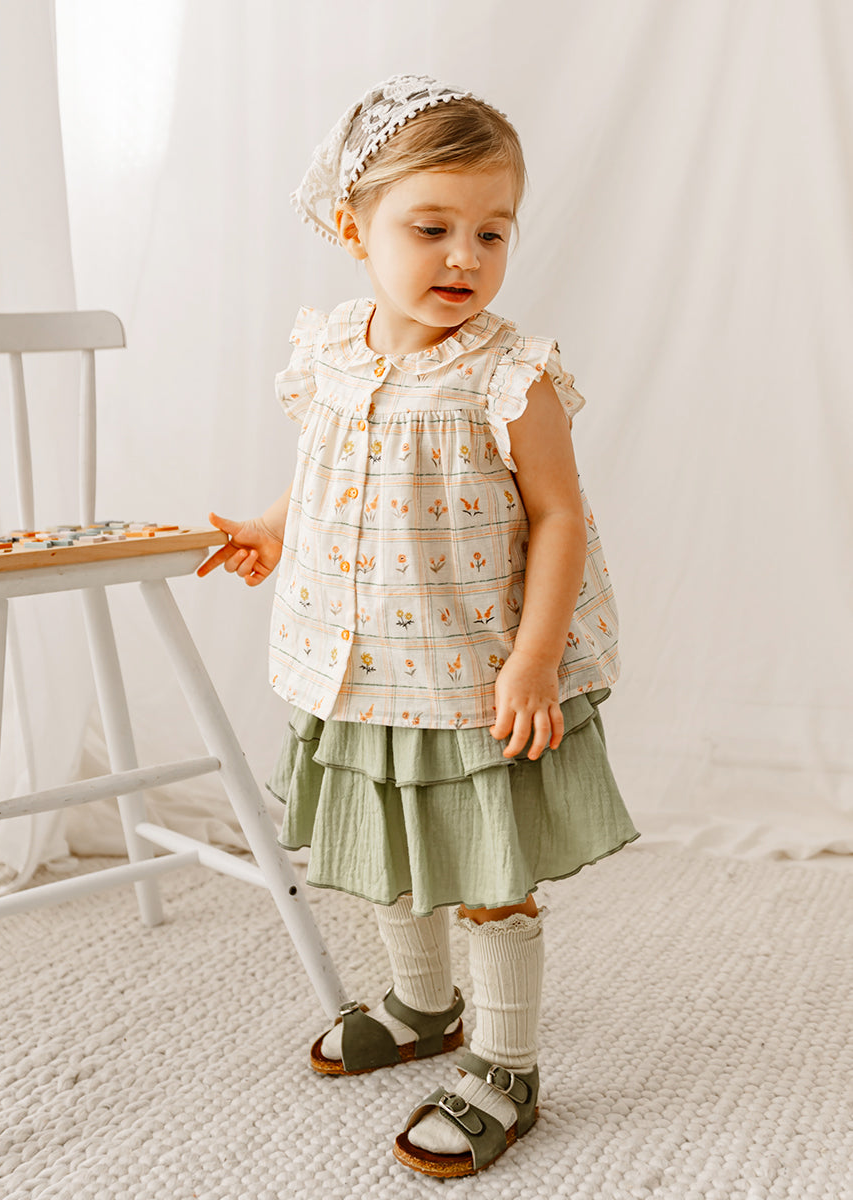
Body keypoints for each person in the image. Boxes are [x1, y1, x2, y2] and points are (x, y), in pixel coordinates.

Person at [198, 73, 638, 1178]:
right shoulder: (332, 352)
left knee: (487, 870)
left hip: (472, 668)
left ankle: (506, 1064)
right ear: (355, 229)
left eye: (492, 232)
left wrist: (534, 658)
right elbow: (328, 468)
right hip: (360, 662)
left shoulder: (509, 375)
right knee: (394, 848)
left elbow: (560, 516)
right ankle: (422, 1003)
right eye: (431, 228)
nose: (464, 258)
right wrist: (272, 527)